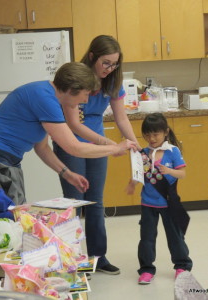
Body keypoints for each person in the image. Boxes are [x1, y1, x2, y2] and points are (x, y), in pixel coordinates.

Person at [53, 35, 141, 275]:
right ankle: (71, 258)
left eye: (114, 64)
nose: (110, 68)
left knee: (95, 201)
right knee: (74, 202)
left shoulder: (112, 82)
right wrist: (109, 145)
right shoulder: (77, 79)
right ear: (92, 56)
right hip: (71, 142)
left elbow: (121, 117)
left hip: (98, 143)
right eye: (106, 63)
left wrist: (134, 143)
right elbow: (73, 124)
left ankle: (98, 257)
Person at [0, 62, 137, 206]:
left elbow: (42, 148)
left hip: (7, 161)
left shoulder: (47, 95)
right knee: (6, 218)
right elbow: (74, 147)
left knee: (12, 217)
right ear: (72, 89)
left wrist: (67, 174)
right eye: (85, 94)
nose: (85, 100)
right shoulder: (45, 98)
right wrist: (116, 148)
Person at [126, 113, 192, 285]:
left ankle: (182, 266)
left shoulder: (173, 151)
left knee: (175, 237)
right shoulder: (144, 154)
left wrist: (169, 171)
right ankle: (147, 269)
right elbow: (138, 174)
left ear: (166, 132)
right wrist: (132, 184)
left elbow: (183, 173)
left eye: (155, 134)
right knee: (146, 238)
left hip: (169, 203)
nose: (151, 138)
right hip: (148, 203)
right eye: (147, 134)